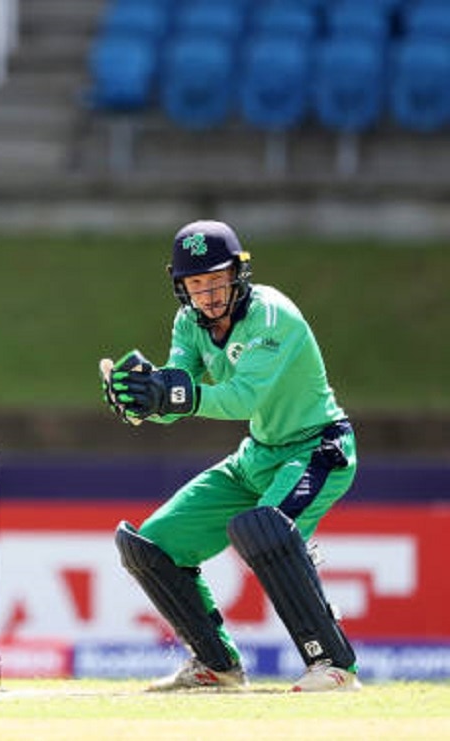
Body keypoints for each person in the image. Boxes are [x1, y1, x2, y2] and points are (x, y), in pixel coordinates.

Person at [99, 220, 360, 693]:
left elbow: (241, 398)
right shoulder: (188, 322)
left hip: (317, 447)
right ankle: (215, 666)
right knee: (151, 546)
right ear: (181, 286)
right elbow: (179, 394)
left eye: (217, 279)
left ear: (239, 273)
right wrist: (144, 399)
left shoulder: (272, 317)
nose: (208, 294)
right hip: (257, 456)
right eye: (196, 283)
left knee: (266, 529)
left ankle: (334, 666)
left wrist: (173, 395)